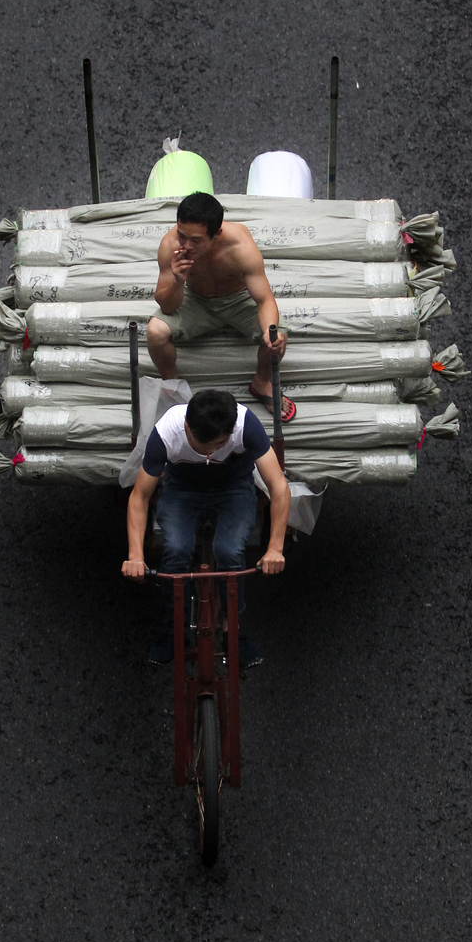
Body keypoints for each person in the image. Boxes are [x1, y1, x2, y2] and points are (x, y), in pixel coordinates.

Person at [121, 389, 291, 667]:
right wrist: (136, 555)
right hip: (182, 490)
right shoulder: (166, 432)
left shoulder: (246, 424)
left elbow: (279, 487)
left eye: (219, 444)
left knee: (229, 552)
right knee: (175, 550)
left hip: (233, 488)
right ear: (187, 426)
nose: (211, 452)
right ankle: (173, 629)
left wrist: (275, 548)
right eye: (203, 446)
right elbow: (139, 497)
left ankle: (231, 628)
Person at [146, 192, 297, 422]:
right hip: (195, 301)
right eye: (182, 235)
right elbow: (167, 306)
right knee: (155, 332)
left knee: (277, 335)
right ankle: (172, 384)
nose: (186, 245)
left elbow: (264, 299)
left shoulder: (240, 246)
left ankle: (261, 381)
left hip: (237, 300)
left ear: (216, 233)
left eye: (196, 240)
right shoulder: (170, 245)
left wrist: (270, 331)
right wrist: (178, 280)